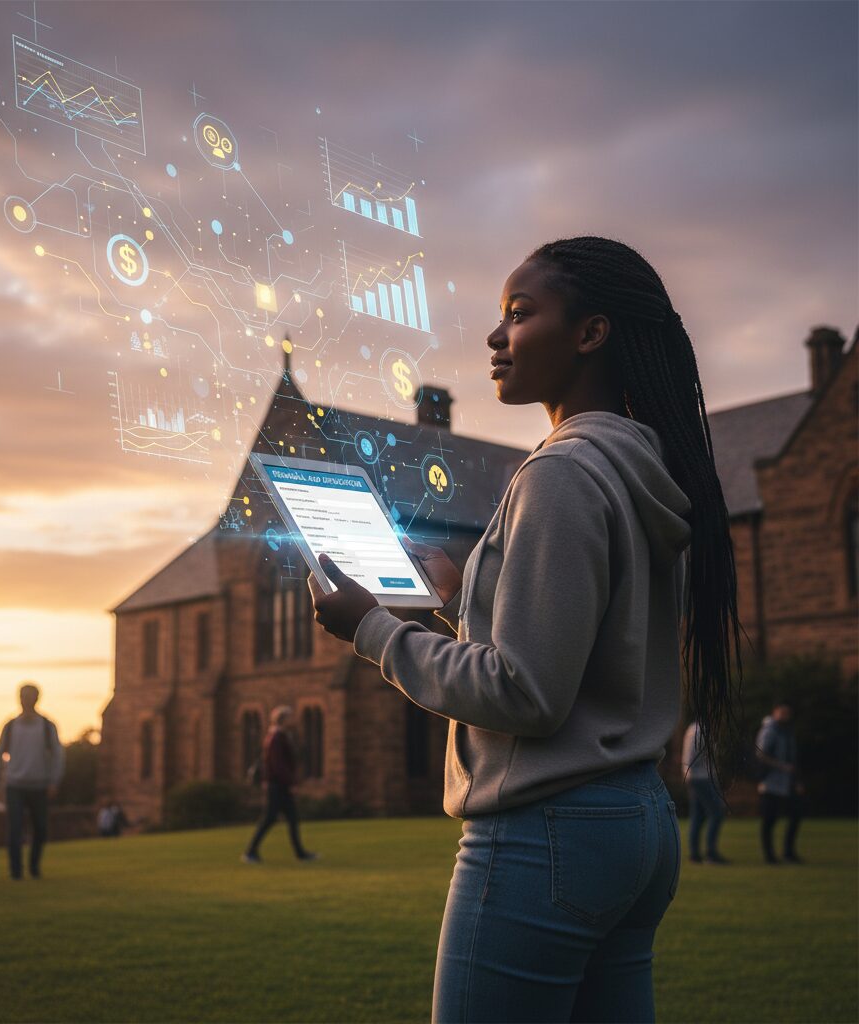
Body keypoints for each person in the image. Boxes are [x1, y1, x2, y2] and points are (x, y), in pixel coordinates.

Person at [309, 236, 746, 1023]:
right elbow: (579, 651)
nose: (495, 336)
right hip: (636, 822)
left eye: (519, 313)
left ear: (591, 333)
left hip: (549, 830)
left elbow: (527, 694)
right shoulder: (639, 465)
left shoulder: (559, 474)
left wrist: (371, 629)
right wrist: (457, 600)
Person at [0, 682, 65, 880]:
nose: (25, 700)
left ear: (36, 699)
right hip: (14, 785)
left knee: (40, 829)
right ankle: (16, 872)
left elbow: (58, 755)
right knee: (14, 830)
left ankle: (34, 867)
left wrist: (53, 781)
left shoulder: (47, 726)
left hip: (39, 785)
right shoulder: (10, 726)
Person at [241, 706, 318, 864]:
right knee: (270, 818)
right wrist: (290, 783)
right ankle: (250, 852)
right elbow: (278, 765)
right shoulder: (276, 737)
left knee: (292, 819)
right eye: (290, 717)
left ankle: (300, 853)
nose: (294, 720)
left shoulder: (280, 735)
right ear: (284, 719)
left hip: (278, 785)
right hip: (277, 786)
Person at [755, 701, 804, 864]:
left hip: (787, 781)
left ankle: (788, 852)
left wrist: (795, 780)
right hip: (770, 781)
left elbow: (792, 757)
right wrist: (781, 766)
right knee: (770, 819)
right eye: (782, 712)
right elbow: (761, 754)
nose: (785, 716)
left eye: (787, 713)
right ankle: (769, 856)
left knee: (796, 815)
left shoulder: (787, 732)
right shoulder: (770, 731)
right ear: (774, 712)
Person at [681, 720, 729, 864]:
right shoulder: (698, 731)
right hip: (701, 778)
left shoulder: (698, 729)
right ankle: (711, 853)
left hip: (698, 777)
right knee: (717, 812)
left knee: (698, 815)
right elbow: (691, 759)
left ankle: (695, 854)